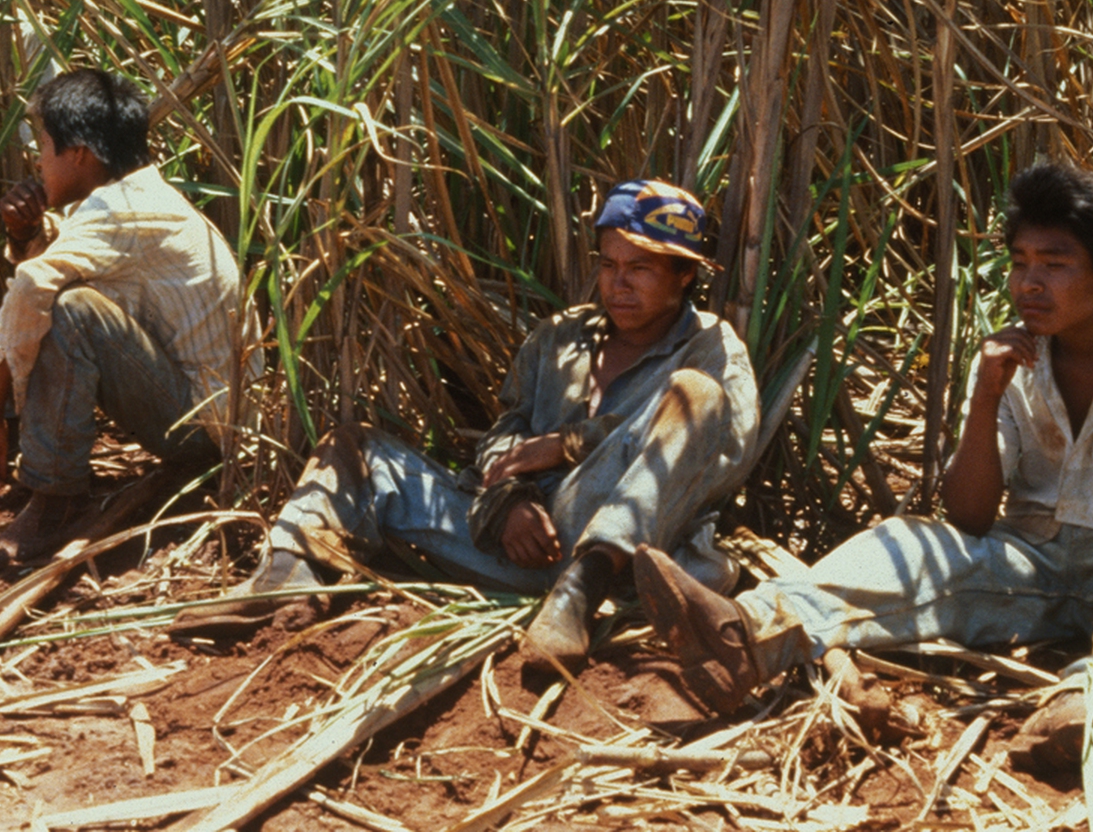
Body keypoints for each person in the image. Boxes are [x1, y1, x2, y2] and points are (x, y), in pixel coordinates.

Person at [632, 161, 1093, 768]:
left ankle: (1091, 706)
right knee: (908, 541)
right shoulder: (1008, 357)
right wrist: (987, 395)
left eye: (1054, 264)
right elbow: (968, 516)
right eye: (1019, 262)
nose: (1028, 283)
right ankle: (745, 636)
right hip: (1032, 564)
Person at [172, 180, 763, 678]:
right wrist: (509, 500)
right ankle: (285, 580)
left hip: (626, 551)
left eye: (641, 269)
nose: (618, 284)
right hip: (520, 542)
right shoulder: (562, 335)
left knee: (696, 396)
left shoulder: (712, 350)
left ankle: (578, 593)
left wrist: (573, 443)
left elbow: (720, 458)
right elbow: (509, 428)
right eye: (608, 265)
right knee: (352, 448)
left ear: (685, 276)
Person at [0, 68, 259, 567]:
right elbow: (41, 282)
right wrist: (24, 235)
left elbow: (33, 289)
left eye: (44, 144)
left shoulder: (121, 210)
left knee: (72, 310)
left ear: (79, 154)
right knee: (61, 301)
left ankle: (55, 503)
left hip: (206, 429)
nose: (37, 159)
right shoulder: (134, 195)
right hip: (207, 416)